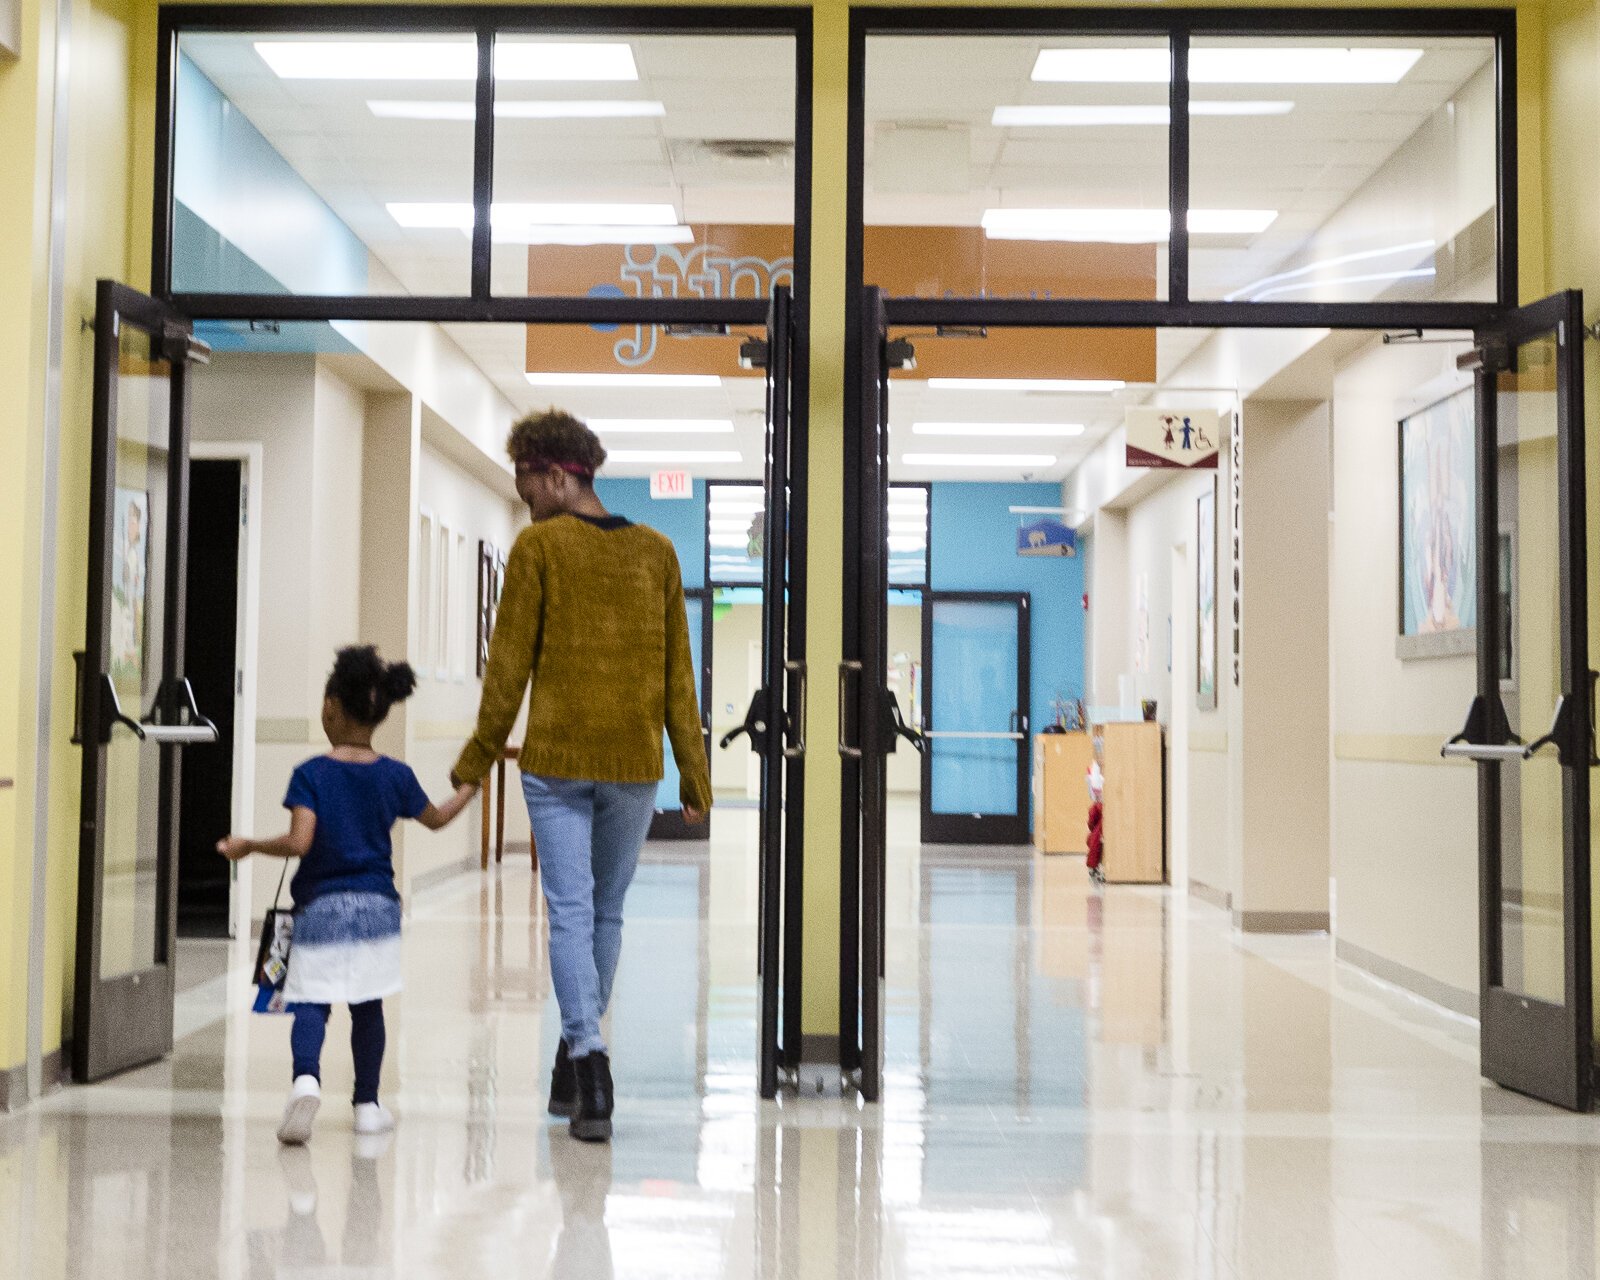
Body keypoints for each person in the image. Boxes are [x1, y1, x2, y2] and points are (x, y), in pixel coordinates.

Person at [452, 408, 712, 1144]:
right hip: (634, 765)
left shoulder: (538, 550)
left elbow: (508, 671)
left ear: (560, 476)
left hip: (559, 763)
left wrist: (476, 763)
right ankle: (578, 1058)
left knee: (569, 912)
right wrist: (694, 779)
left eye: (528, 483)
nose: (525, 498)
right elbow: (678, 680)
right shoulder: (657, 552)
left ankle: (588, 1063)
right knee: (604, 914)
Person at [219, 646, 477, 1145]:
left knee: (311, 1001)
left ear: (331, 706)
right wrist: (470, 785)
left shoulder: (312, 774)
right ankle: (367, 1105)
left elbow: (299, 842)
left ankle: (306, 1081)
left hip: (321, 906)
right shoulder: (395, 774)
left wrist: (250, 846)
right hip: (379, 908)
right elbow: (438, 818)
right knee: (368, 1005)